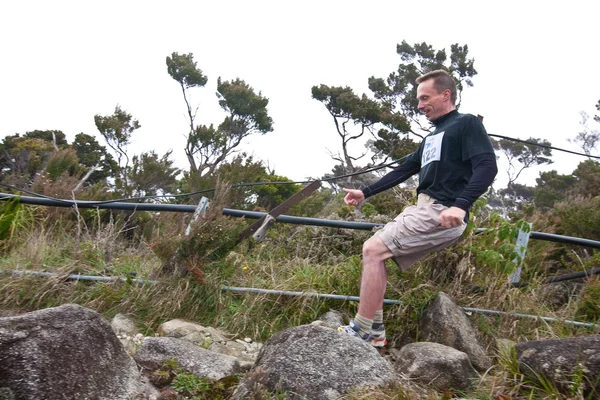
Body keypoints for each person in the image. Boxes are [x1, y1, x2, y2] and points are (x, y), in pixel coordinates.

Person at [338, 69, 498, 347]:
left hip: (441, 210)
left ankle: (363, 330)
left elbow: (487, 167)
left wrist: (461, 206)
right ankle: (373, 331)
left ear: (445, 95)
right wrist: (365, 192)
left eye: (425, 98)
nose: (419, 105)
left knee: (372, 250)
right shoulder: (433, 135)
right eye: (418, 99)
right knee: (377, 254)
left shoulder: (467, 124)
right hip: (424, 207)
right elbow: (406, 169)